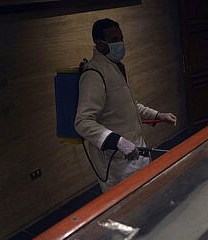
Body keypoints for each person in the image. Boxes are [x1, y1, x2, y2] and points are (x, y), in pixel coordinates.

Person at [75, 18, 176, 192]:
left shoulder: (116, 67)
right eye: (114, 40)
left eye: (120, 38)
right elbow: (83, 122)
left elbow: (130, 106)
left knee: (147, 198)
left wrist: (158, 116)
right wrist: (118, 141)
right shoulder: (94, 74)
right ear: (99, 44)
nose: (120, 44)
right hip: (118, 162)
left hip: (138, 152)